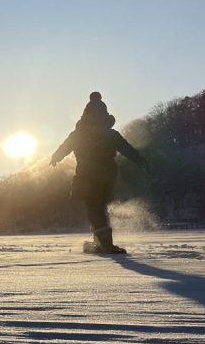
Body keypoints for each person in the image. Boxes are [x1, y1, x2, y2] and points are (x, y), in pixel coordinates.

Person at [50, 91, 146, 254]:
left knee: (94, 208)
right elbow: (126, 149)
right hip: (107, 174)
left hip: (88, 175)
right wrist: (139, 160)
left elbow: (66, 146)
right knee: (98, 207)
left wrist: (56, 157)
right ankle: (101, 241)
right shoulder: (110, 134)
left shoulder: (81, 133)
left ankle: (104, 243)